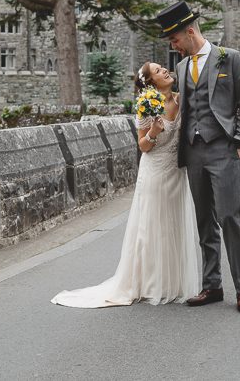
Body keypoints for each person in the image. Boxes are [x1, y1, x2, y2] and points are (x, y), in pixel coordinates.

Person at [51, 62, 202, 308]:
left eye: (163, 67)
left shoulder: (181, 98)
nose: (165, 70)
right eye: (158, 71)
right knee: (152, 226)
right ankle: (149, 283)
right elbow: (143, 145)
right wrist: (153, 132)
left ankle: (171, 283)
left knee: (173, 224)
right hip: (155, 171)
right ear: (151, 82)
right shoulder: (146, 105)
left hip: (176, 171)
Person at [158, 0, 240, 314]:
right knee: (204, 222)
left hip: (223, 150)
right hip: (194, 152)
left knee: (229, 219)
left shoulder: (230, 58)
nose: (173, 46)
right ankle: (212, 285)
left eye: (174, 39)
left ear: (189, 32)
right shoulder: (181, 67)